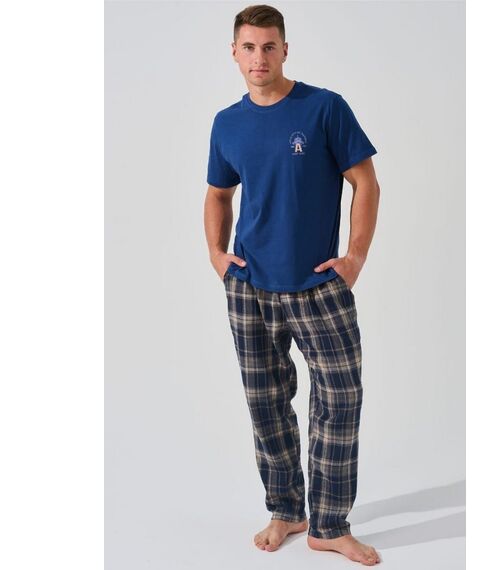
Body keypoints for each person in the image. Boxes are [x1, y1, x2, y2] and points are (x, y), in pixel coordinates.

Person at [204, 4, 382, 566]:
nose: (259, 57)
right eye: (249, 47)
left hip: (319, 284)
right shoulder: (226, 123)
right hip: (250, 287)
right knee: (267, 404)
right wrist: (217, 256)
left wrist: (354, 257)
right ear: (235, 53)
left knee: (340, 398)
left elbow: (365, 182)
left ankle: (329, 524)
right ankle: (287, 511)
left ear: (285, 49)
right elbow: (218, 194)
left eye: (269, 46)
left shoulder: (324, 107)